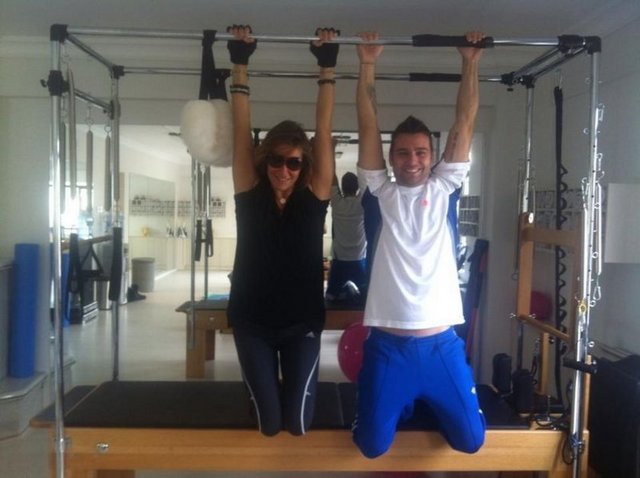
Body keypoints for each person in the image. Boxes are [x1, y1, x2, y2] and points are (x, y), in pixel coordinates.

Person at [352, 30, 487, 458]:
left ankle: (417, 398)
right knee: (371, 446)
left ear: (433, 155)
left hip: (441, 345)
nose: (412, 160)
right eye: (403, 153)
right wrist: (367, 63)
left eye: (422, 152)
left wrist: (470, 61)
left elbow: (465, 121)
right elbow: (368, 124)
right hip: (387, 348)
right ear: (391, 158)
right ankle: (406, 399)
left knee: (471, 441)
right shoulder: (381, 192)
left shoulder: (445, 187)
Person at [225, 25, 338, 437]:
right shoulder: (248, 192)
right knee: (269, 425)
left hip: (301, 324)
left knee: (298, 424)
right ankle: (261, 389)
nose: (284, 170)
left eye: (293, 162)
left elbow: (323, 130)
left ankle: (274, 390)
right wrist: (240, 63)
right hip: (252, 322)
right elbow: (241, 130)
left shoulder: (315, 196)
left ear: (303, 164)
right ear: (265, 159)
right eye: (276, 160)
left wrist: (327, 68)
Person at [325, 171, 367, 302]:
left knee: (330, 297)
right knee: (365, 298)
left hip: (340, 259)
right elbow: (366, 182)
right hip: (359, 258)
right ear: (357, 187)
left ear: (342, 188)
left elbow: (332, 179)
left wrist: (331, 160)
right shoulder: (362, 203)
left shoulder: (337, 203)